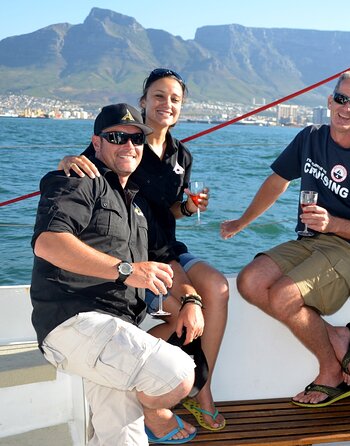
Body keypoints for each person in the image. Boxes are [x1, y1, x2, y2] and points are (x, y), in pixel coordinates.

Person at [57, 68, 228, 431]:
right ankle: (152, 389)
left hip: (167, 245)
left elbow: (168, 211)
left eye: (175, 99)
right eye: (159, 96)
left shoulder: (181, 155)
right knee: (187, 309)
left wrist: (190, 208)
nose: (167, 104)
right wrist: (64, 162)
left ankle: (202, 390)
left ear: (182, 107)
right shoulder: (124, 140)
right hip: (134, 251)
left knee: (217, 288)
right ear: (144, 101)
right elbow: (85, 170)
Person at [220, 71, 350, 407]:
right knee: (250, 281)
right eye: (341, 99)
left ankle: (331, 372)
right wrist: (242, 222)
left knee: (284, 297)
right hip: (312, 240)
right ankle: (337, 335)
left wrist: (332, 223)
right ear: (330, 101)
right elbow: (277, 181)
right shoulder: (310, 138)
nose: (346, 108)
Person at [31, 103, 201, 444]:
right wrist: (126, 271)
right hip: (76, 322)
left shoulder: (136, 207)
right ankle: (155, 412)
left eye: (137, 140)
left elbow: (165, 259)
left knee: (120, 436)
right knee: (178, 374)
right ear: (97, 144)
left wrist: (191, 299)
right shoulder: (79, 180)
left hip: (115, 331)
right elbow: (49, 243)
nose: (129, 146)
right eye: (116, 137)